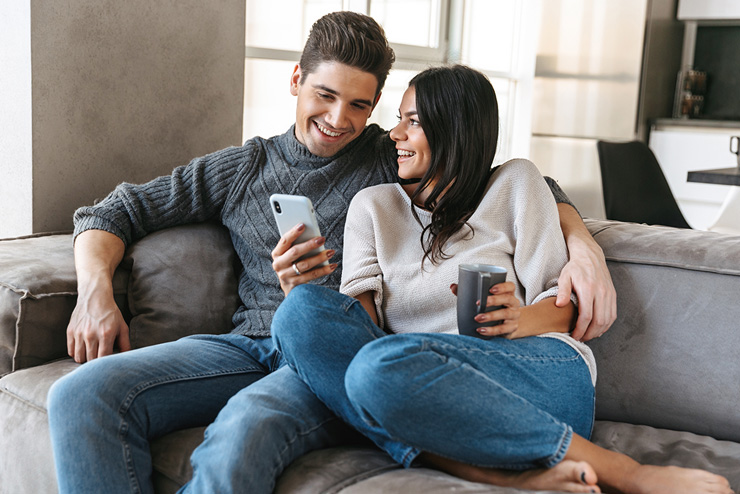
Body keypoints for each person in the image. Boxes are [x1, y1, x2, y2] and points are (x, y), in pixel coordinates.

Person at [47, 12, 614, 494]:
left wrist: (583, 245)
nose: (339, 120)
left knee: (242, 430)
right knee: (80, 395)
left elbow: (481, 171)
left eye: (360, 105)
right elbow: (112, 212)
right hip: (247, 346)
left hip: (338, 350)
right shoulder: (243, 168)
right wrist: (96, 294)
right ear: (296, 79)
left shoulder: (386, 156)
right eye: (325, 95)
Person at [271, 65, 732, 494]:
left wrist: (517, 320)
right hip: (421, 384)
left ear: (455, 130)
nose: (395, 134)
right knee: (301, 315)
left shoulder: (515, 184)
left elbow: (566, 305)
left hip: (535, 369)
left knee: (378, 368)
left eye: (413, 121)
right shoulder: (372, 207)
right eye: (398, 120)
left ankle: (627, 472)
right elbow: (362, 338)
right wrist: (304, 287)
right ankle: (508, 475)